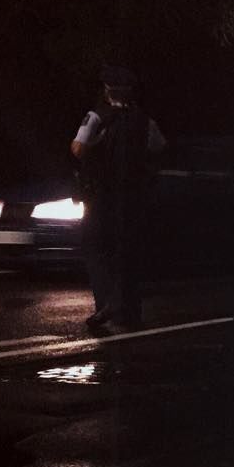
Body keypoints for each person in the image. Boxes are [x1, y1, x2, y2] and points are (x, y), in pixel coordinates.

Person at [70, 65, 166, 330]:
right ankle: (131, 311)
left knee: (95, 248)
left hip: (102, 195)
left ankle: (106, 304)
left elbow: (78, 148)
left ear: (106, 89)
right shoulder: (144, 120)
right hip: (133, 197)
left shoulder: (96, 116)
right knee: (127, 252)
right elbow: (159, 147)